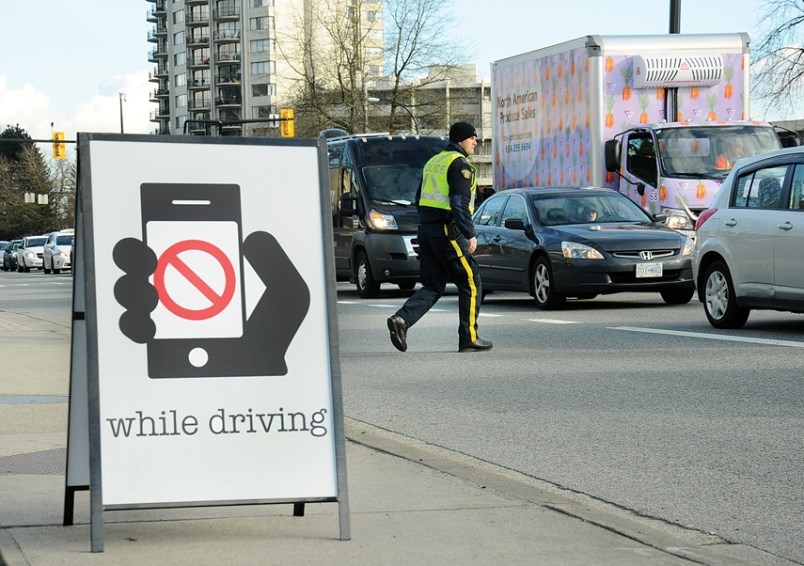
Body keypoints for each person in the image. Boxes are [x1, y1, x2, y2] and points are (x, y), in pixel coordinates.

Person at [387, 122, 493, 353]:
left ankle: (402, 320)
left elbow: (419, 198)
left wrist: (429, 225)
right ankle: (469, 337)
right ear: (461, 140)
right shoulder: (459, 164)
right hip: (448, 231)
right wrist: (469, 234)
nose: (476, 142)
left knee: (433, 285)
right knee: (471, 281)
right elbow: (458, 203)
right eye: (473, 138)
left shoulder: (433, 162)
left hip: (427, 230)